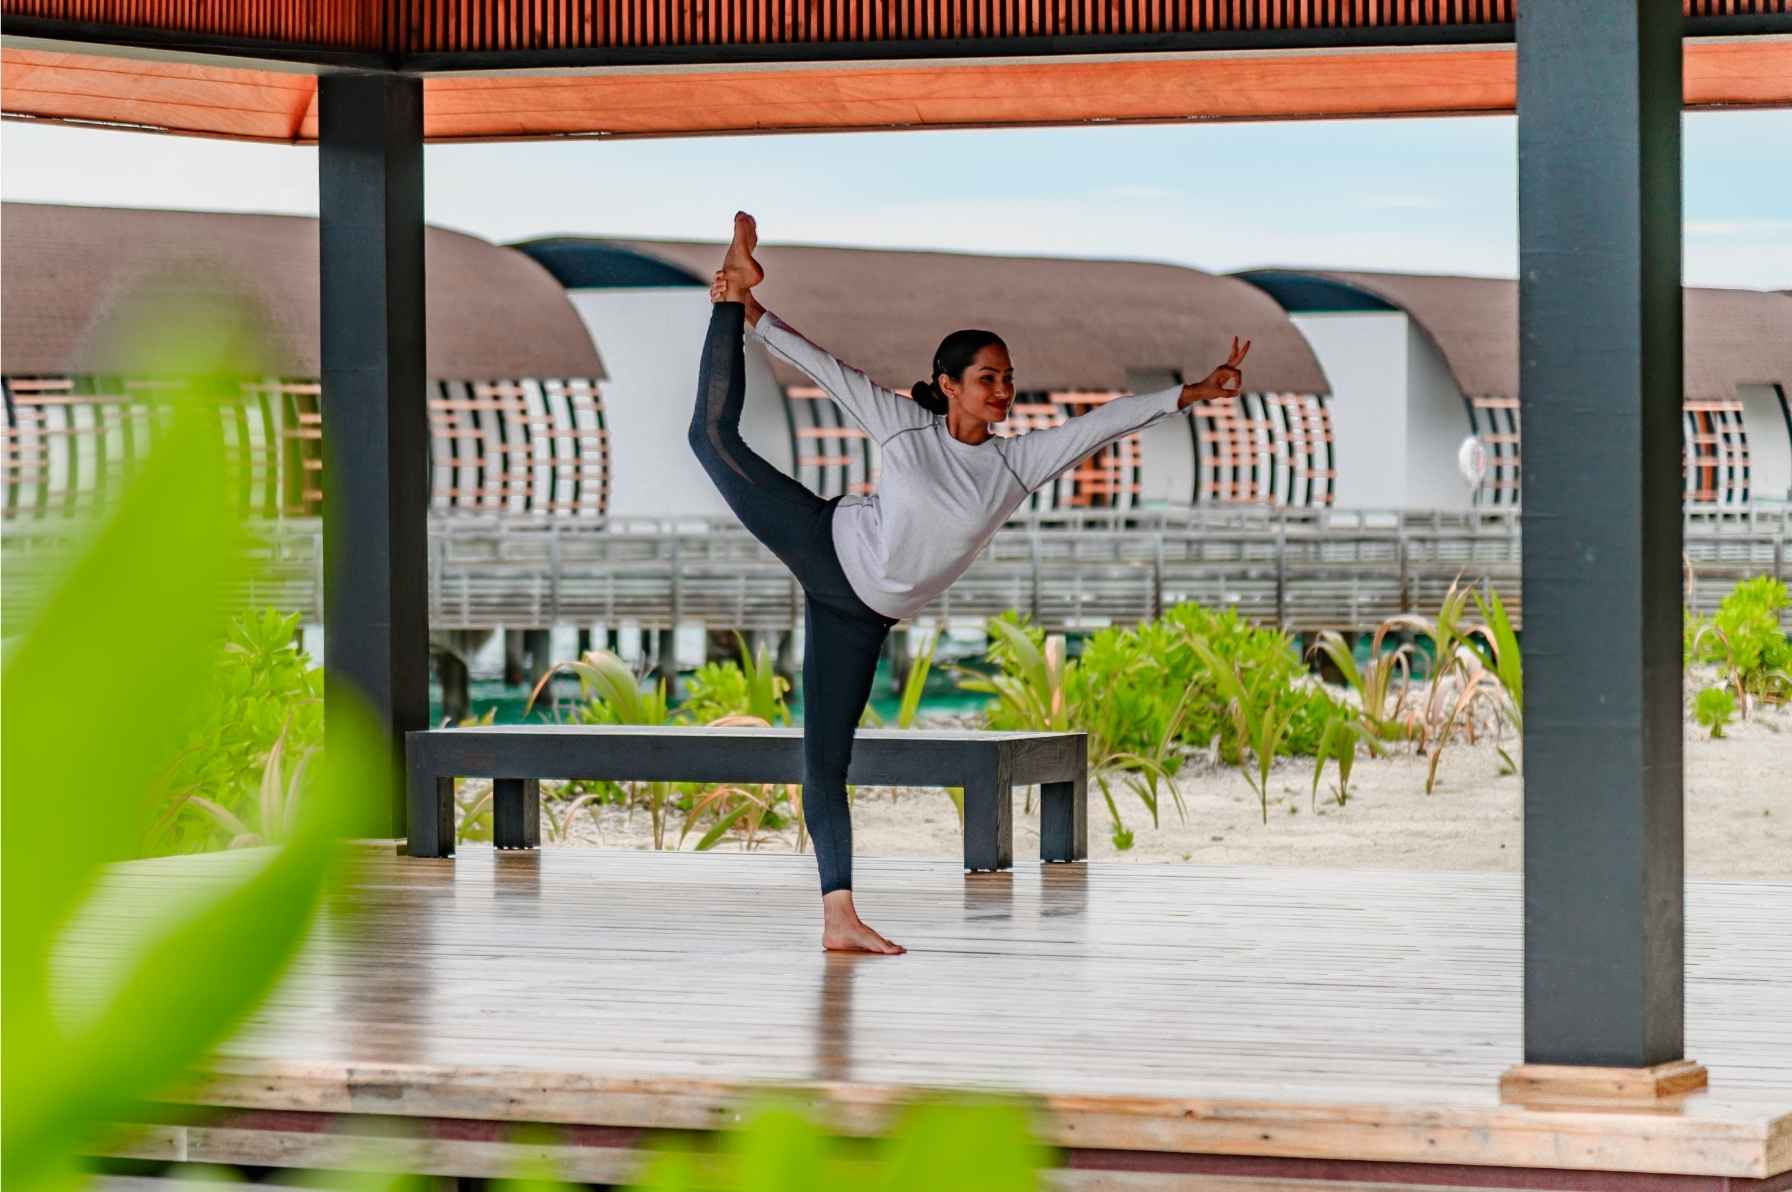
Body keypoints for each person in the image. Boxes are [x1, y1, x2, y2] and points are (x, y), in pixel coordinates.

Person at [690, 213, 1250, 954]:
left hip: (861, 619)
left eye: (1009, 378)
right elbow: (826, 367)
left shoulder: (1015, 466)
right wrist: (751, 315)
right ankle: (727, 294)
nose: (1004, 390)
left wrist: (1194, 393)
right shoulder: (902, 425)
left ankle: (838, 920)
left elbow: (1105, 424)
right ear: (949, 385)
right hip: (826, 544)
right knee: (710, 440)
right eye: (988, 377)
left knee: (825, 761)